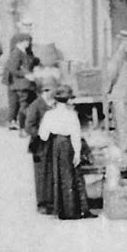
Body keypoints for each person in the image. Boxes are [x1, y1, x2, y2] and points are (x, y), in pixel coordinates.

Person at [38, 85, 96, 220]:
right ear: (69, 100)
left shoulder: (49, 114)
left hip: (55, 145)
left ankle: (61, 209)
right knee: (72, 175)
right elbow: (76, 135)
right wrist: (77, 153)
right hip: (68, 144)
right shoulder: (71, 115)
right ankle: (74, 210)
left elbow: (43, 136)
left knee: (58, 175)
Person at [25, 84, 56, 214]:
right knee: (41, 174)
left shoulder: (54, 104)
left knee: (52, 172)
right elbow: (29, 126)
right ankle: (42, 203)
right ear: (45, 91)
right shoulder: (35, 105)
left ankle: (53, 201)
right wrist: (41, 133)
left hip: (53, 142)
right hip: (40, 144)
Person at [4, 33, 36, 130]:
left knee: (16, 103)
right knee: (23, 103)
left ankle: (14, 122)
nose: (29, 43)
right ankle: (22, 123)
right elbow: (13, 69)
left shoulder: (23, 51)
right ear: (20, 42)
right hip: (20, 83)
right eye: (27, 41)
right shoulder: (17, 53)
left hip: (17, 83)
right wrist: (26, 75)